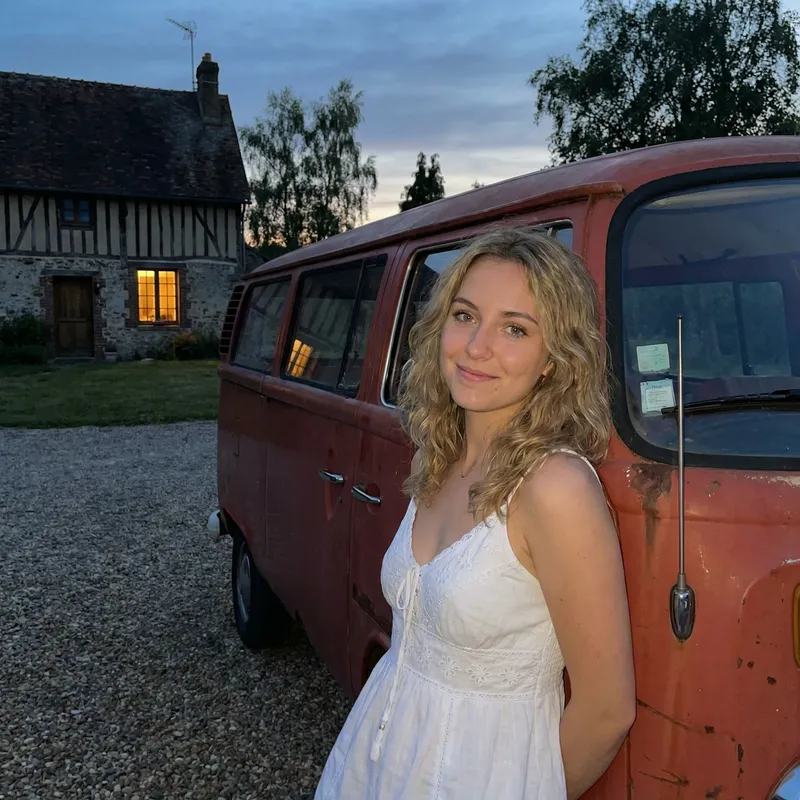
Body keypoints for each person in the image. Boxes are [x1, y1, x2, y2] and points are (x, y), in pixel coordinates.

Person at [315, 227, 636, 800]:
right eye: (465, 316)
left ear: (552, 359)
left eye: (515, 328)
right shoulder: (439, 455)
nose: (476, 346)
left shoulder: (554, 487)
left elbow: (607, 711)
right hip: (379, 761)